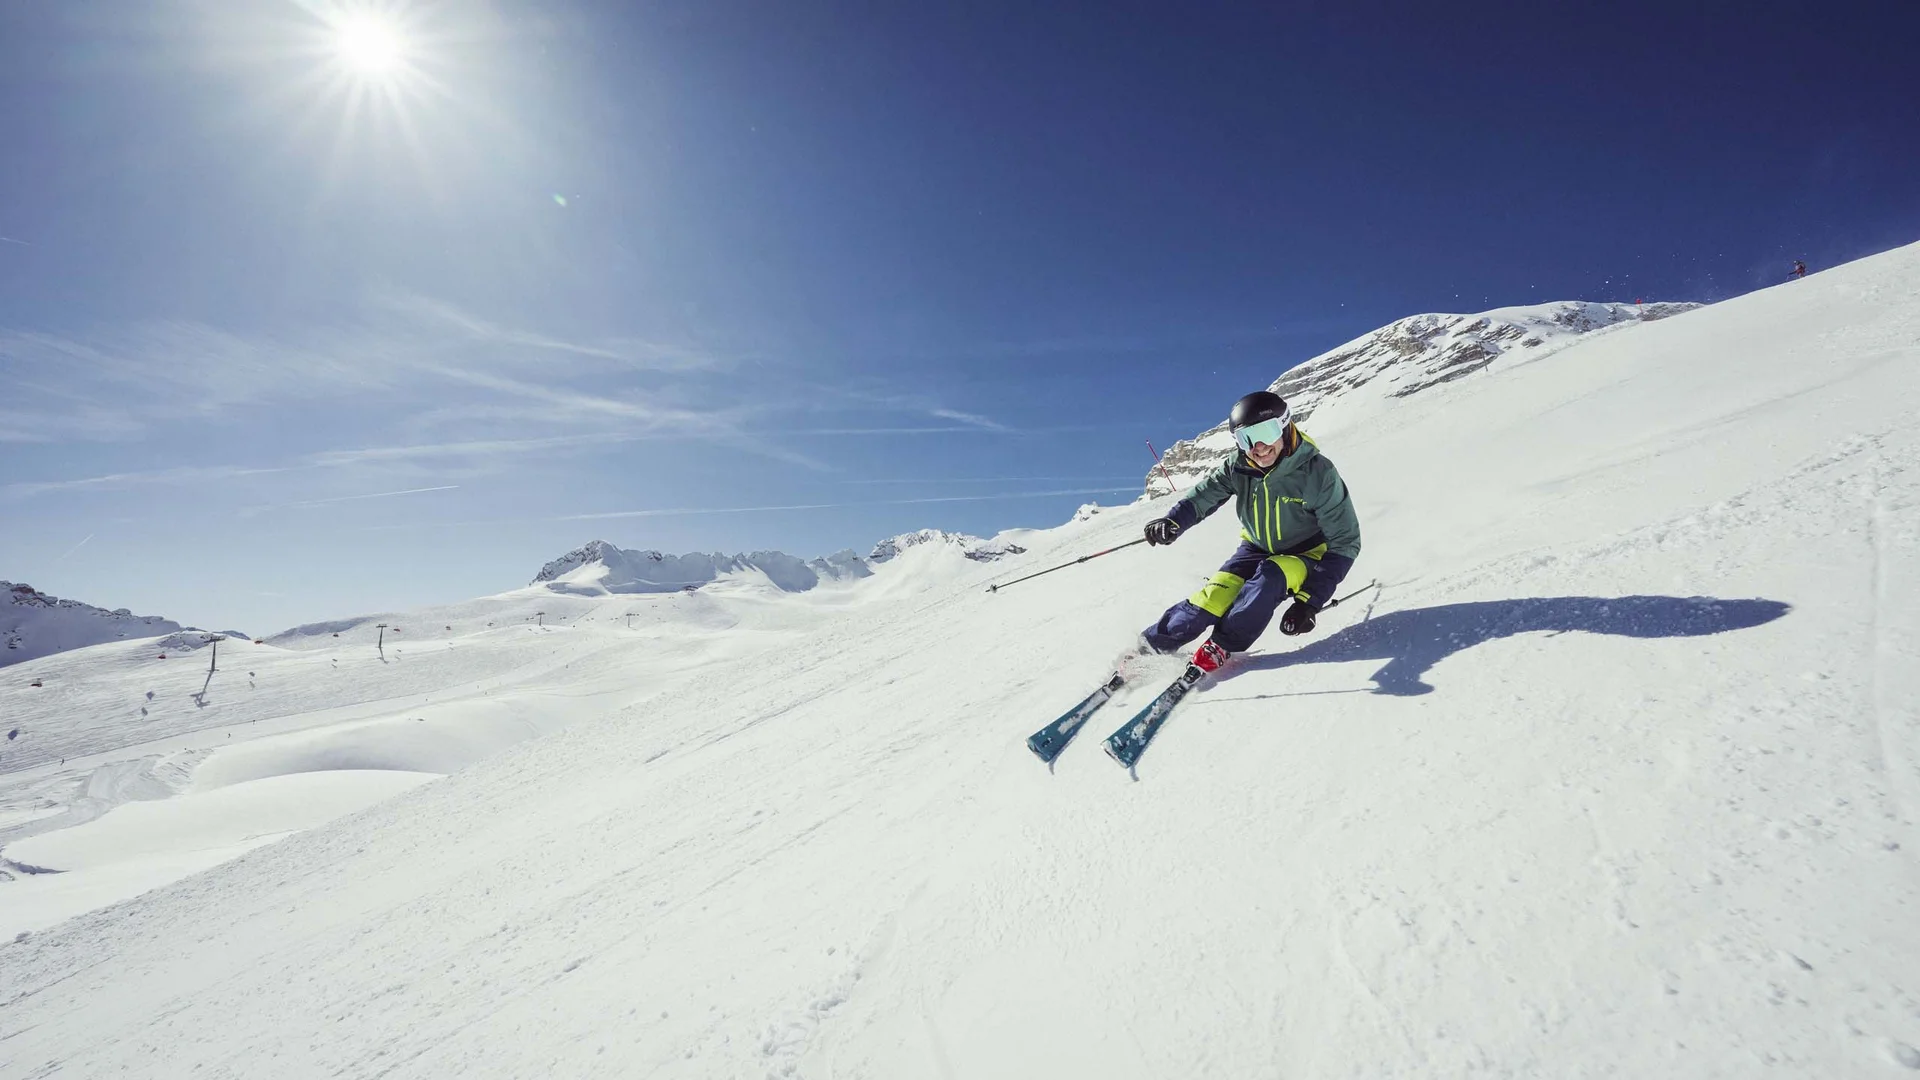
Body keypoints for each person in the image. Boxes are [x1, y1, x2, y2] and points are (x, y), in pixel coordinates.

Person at [1138, 390, 1361, 672]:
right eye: (1245, 438)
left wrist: (1309, 601)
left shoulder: (1317, 473)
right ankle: (1150, 646)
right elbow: (1204, 496)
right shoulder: (1239, 467)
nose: (1258, 446)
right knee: (1213, 597)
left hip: (1305, 553)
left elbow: (1345, 542)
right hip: (1254, 548)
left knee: (1268, 579)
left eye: (1266, 432)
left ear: (1285, 425)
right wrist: (1173, 522)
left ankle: (1223, 644)